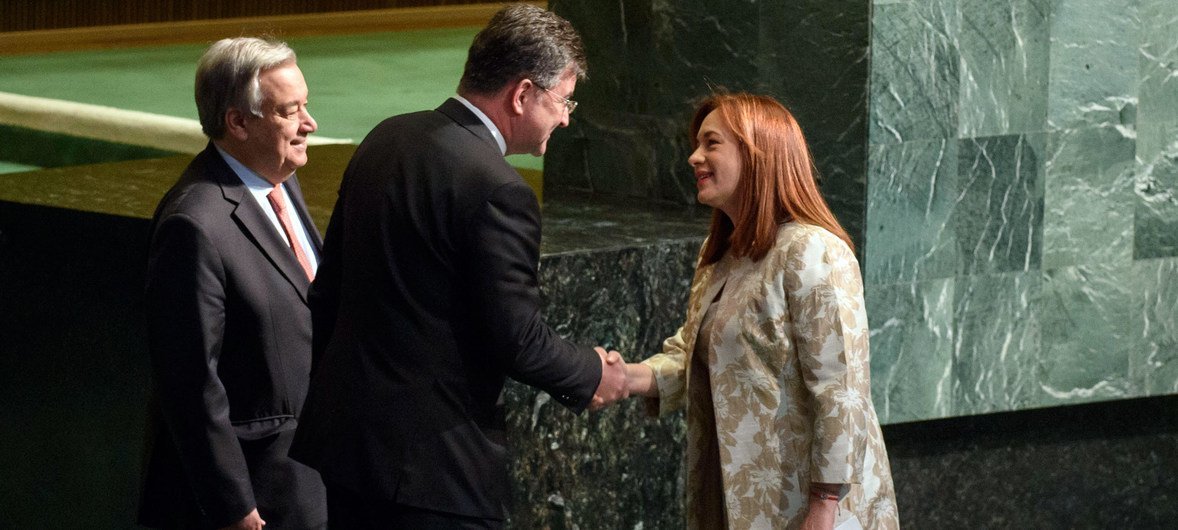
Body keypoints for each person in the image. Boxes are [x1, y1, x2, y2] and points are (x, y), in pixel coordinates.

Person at [288, 4, 627, 528]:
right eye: (564, 101)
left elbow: (326, 293)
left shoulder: (385, 139)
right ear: (522, 94)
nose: (565, 117)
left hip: (348, 455)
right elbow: (516, 339)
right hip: (435, 475)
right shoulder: (499, 188)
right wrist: (592, 374)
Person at [620, 93, 899, 529]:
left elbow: (841, 390)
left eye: (711, 143)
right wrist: (621, 378)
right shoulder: (721, 256)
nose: (694, 157)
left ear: (758, 155)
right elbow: (692, 354)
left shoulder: (812, 250)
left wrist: (824, 506)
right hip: (736, 499)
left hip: (806, 508)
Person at [138, 37, 326, 530]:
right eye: (290, 111)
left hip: (307, 476)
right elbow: (192, 382)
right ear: (238, 122)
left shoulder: (280, 180)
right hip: (254, 495)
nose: (310, 123)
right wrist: (233, 505)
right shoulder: (194, 224)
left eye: (306, 105)